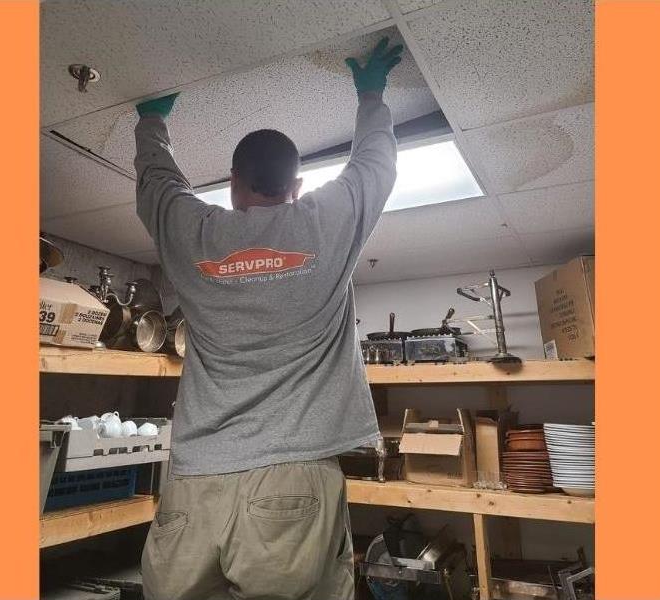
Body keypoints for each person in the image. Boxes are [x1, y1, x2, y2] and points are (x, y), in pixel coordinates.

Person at [134, 37, 403, 600]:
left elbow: (158, 185)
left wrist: (153, 119)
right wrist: (370, 93)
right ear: (296, 187)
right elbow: (374, 165)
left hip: (196, 479)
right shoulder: (324, 223)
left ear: (233, 183)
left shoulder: (194, 230)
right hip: (293, 475)